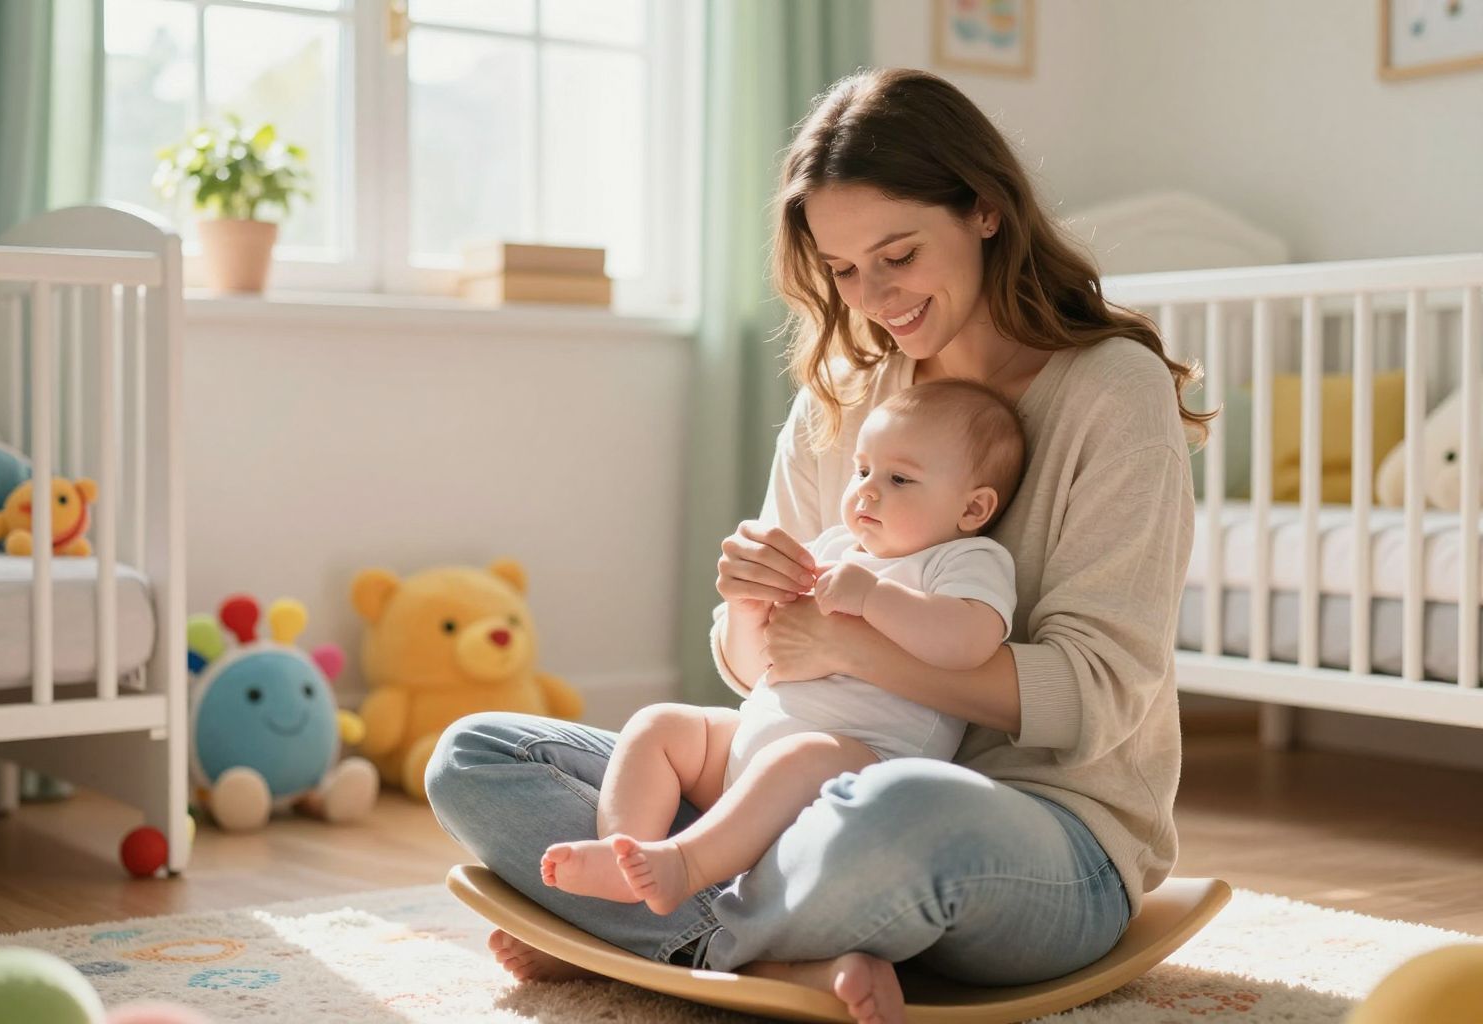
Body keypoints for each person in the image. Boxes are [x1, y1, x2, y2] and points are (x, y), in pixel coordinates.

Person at [427, 66, 1203, 1024]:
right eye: (843, 270)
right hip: (805, 787)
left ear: (986, 212)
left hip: (1033, 834)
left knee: (894, 812)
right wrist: (752, 602)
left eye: (899, 254)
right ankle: (762, 953)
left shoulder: (1110, 393)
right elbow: (767, 676)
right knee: (479, 753)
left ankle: (642, 946)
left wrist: (856, 645)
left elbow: (1095, 698)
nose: (873, 296)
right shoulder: (842, 395)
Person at [537, 380, 1022, 917]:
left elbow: (969, 642)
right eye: (862, 470)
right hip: (751, 746)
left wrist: (874, 597)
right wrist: (751, 603)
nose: (866, 491)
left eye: (899, 478)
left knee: (800, 756)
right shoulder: (836, 547)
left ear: (974, 508)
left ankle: (686, 867)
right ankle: (624, 856)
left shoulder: (963, 560)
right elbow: (762, 658)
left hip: (859, 765)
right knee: (660, 725)